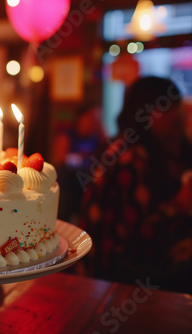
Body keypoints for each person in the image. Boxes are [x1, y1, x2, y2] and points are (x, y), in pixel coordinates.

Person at [78, 76, 192, 293]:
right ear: (142, 111)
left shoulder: (169, 147)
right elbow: (138, 239)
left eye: (176, 105)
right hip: (116, 287)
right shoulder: (126, 156)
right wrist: (180, 204)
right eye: (163, 107)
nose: (175, 114)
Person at [52, 104, 106, 223]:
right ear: (80, 118)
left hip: (86, 186)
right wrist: (81, 158)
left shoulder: (96, 137)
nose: (94, 122)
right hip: (67, 185)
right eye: (91, 118)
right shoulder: (67, 134)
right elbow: (60, 158)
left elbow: (106, 154)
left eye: (97, 119)